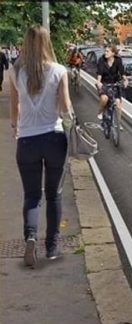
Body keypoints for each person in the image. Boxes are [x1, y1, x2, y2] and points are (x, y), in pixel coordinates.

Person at [9, 26, 76, 267]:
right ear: (48, 43)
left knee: (31, 196)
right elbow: (66, 108)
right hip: (54, 139)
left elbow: (14, 110)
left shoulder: (16, 72)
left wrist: (16, 129)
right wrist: (72, 124)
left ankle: (29, 238)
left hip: (26, 141)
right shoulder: (59, 71)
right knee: (54, 195)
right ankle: (52, 248)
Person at [95, 44, 128, 126]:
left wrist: (125, 80)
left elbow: (122, 72)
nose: (105, 53)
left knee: (118, 104)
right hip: (104, 84)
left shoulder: (118, 60)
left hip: (115, 84)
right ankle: (100, 111)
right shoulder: (101, 60)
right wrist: (98, 82)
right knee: (104, 98)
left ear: (113, 53)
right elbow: (99, 73)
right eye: (105, 51)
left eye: (107, 51)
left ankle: (118, 124)